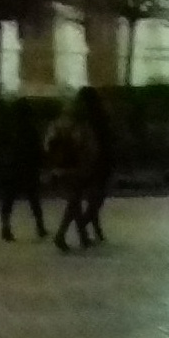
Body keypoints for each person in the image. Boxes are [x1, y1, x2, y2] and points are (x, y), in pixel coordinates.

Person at [44, 95, 97, 254]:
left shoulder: (54, 125)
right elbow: (81, 144)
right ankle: (63, 234)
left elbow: (47, 146)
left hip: (58, 167)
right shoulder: (76, 126)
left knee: (74, 201)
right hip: (74, 167)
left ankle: (82, 236)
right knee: (74, 201)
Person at [0, 97, 46, 242]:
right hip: (28, 168)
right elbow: (37, 150)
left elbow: (1, 146)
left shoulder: (9, 128)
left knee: (8, 199)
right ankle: (40, 226)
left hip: (11, 168)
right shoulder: (30, 129)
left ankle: (6, 227)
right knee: (34, 198)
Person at [70, 87, 116, 248]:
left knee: (81, 198)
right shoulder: (100, 117)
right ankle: (82, 227)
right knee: (96, 198)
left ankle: (87, 230)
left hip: (82, 162)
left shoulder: (79, 118)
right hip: (99, 161)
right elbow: (107, 140)